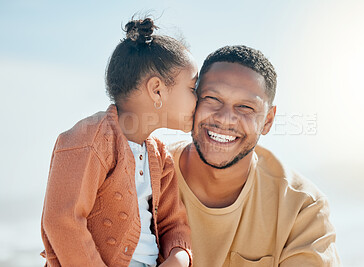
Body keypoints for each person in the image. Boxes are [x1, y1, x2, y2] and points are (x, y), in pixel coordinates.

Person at [40, 17, 197, 267]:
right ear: (157, 90)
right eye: (192, 87)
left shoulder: (159, 155)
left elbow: (172, 223)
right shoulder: (90, 138)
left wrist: (179, 255)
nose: (199, 99)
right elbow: (62, 219)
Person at [168, 45, 341, 267]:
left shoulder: (301, 207)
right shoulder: (144, 176)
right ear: (193, 100)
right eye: (212, 98)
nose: (225, 118)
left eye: (246, 107)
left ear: (267, 121)